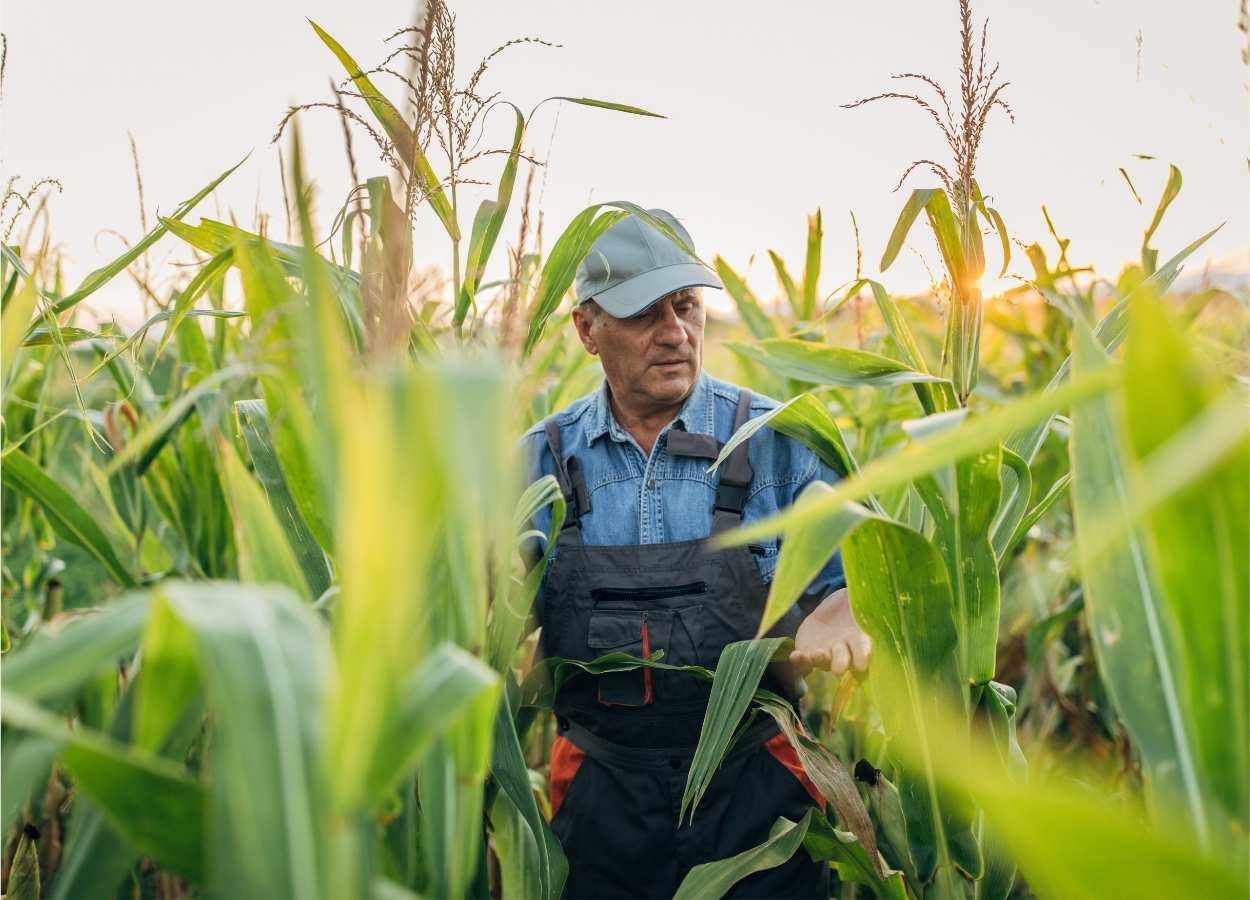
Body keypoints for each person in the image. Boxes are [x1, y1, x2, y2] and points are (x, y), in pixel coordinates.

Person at [519, 208, 872, 899]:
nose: (675, 333)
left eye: (685, 306)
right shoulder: (538, 463)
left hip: (760, 791)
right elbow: (479, 611)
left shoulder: (780, 444)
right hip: (600, 796)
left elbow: (856, 581)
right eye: (645, 313)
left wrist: (845, 612)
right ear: (587, 329)